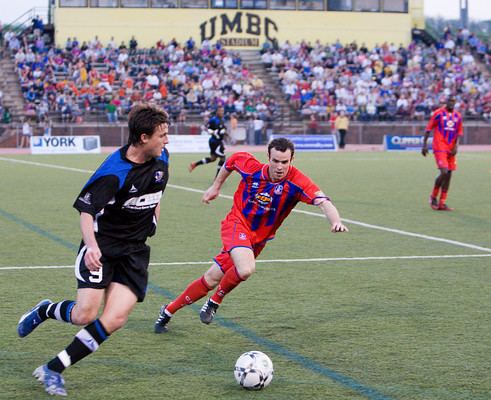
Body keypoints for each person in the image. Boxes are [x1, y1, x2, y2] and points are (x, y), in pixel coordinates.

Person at [17, 103, 170, 397]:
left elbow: (156, 193)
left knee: (115, 318)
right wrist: (90, 247)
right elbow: (86, 211)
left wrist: (153, 221)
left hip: (134, 251)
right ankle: (46, 309)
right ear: (142, 138)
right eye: (161, 135)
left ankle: (53, 368)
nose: (166, 140)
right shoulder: (114, 173)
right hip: (102, 247)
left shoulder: (162, 156)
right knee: (85, 314)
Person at [155, 137, 348, 333]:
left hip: (257, 240)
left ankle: (168, 311)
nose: (280, 166)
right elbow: (230, 162)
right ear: (268, 157)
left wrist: (336, 221)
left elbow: (324, 201)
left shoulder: (298, 182)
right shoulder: (251, 166)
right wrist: (216, 187)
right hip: (236, 224)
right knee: (246, 269)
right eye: (275, 161)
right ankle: (214, 302)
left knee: (211, 278)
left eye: (285, 162)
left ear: (292, 160)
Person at [421, 96, 463, 211]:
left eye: (454, 101)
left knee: (449, 174)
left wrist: (456, 146)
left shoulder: (458, 116)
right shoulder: (438, 113)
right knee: (444, 172)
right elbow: (428, 129)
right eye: (450, 101)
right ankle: (433, 197)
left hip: (451, 148)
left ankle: (442, 203)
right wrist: (424, 145)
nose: (451, 103)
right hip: (440, 146)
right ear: (446, 102)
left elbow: (459, 132)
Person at [188, 106, 227, 177]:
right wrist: (213, 132)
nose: (222, 112)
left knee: (213, 159)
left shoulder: (222, 119)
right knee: (223, 158)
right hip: (215, 142)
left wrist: (226, 134)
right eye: (220, 111)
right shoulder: (213, 120)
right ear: (217, 112)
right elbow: (206, 128)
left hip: (218, 141)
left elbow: (223, 130)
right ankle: (217, 177)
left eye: (222, 111)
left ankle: (195, 164)